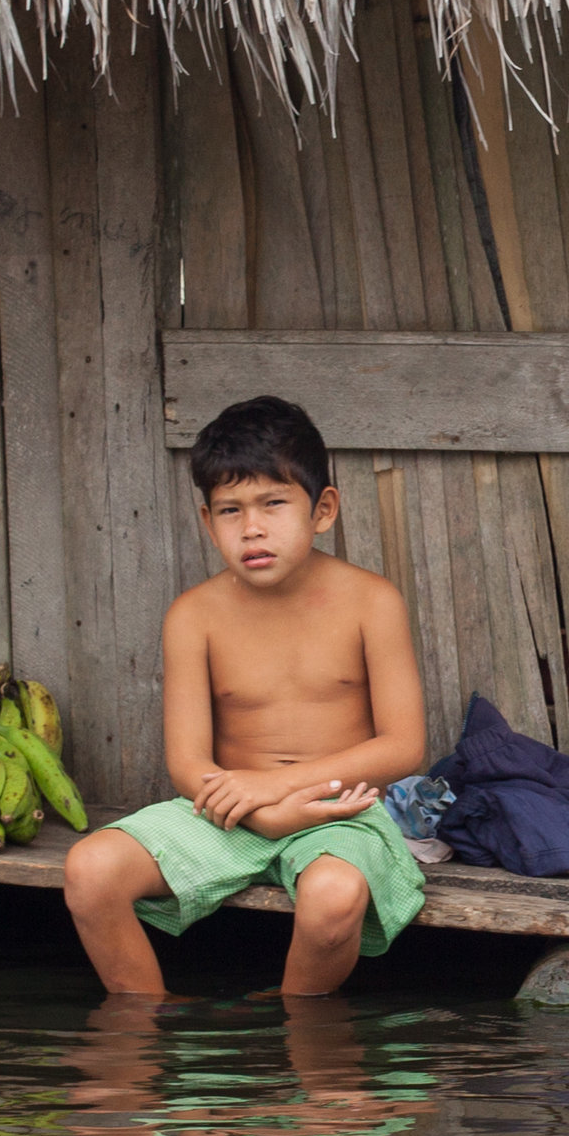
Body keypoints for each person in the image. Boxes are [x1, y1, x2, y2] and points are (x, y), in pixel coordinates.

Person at [62, 395, 428, 997]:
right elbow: (187, 762)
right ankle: (144, 1030)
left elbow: (403, 745)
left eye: (273, 503)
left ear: (323, 509)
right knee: (89, 869)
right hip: (226, 812)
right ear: (208, 522)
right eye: (230, 510)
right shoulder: (193, 616)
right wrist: (261, 808)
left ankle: (292, 1028)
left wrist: (281, 790)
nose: (252, 527)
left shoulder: (371, 602)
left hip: (340, 813)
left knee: (334, 898)